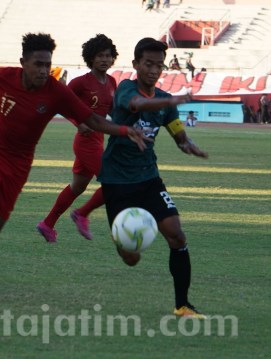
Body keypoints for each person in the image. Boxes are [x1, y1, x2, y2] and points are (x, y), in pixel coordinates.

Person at [0, 32, 150, 314]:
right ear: (23, 63)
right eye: (38, 64)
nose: (44, 70)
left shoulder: (55, 91)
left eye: (48, 64)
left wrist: (125, 130)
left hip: (19, 166)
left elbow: (90, 119)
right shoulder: (5, 77)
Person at [97, 37, 208, 318]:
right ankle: (120, 235)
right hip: (117, 181)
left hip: (148, 179)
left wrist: (188, 145)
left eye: (159, 65)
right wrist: (170, 99)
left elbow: (177, 133)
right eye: (148, 64)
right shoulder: (125, 89)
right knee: (131, 258)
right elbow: (135, 104)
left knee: (177, 236)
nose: (154, 70)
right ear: (135, 64)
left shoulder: (165, 103)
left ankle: (182, 305)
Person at [36, 34, 119, 243]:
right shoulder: (80, 83)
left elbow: (113, 110)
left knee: (78, 186)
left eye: (108, 56)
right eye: (100, 55)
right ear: (90, 58)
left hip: (99, 138)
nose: (104, 59)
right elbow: (59, 102)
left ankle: (47, 224)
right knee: (114, 182)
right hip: (85, 142)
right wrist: (77, 122)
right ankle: (81, 213)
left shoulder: (111, 81)